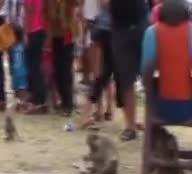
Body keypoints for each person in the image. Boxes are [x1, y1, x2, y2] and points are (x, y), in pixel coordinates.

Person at [141, 0, 192, 124]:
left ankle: (148, 141)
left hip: (161, 109)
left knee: (151, 81)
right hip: (188, 109)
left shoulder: (151, 32)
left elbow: (145, 73)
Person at [108, 0, 149, 141]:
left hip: (141, 24)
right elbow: (106, 3)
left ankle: (152, 124)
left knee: (149, 76)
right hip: (120, 28)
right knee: (125, 78)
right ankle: (130, 127)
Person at [80, 2, 116, 127]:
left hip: (107, 28)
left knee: (101, 74)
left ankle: (102, 110)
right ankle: (98, 111)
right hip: (104, 28)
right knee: (101, 75)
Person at [44, 0, 78, 116]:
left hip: (68, 34)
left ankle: (68, 104)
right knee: (57, 69)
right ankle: (63, 101)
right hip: (55, 35)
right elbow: (47, 16)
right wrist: (48, 37)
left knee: (66, 69)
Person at [22, 0, 48, 113]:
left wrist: (25, 32)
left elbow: (29, 11)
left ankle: (38, 99)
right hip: (42, 29)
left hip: (33, 30)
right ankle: (37, 97)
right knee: (37, 65)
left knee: (33, 67)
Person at [6, 0, 29, 109]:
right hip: (11, 30)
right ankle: (18, 97)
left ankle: (24, 98)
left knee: (20, 66)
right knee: (14, 66)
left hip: (22, 30)